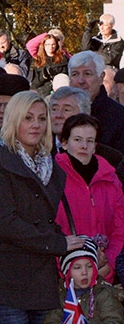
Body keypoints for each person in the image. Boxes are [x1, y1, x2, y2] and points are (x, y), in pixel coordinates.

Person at [0, 90, 86, 324]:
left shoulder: (50, 165)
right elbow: (3, 223)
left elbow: (45, 220)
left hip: (39, 286)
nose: (36, 125)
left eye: (42, 118)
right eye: (28, 118)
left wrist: (78, 245)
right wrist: (56, 243)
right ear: (14, 119)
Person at [54, 114, 124, 283]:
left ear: (95, 146)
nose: (83, 146)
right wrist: (69, 267)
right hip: (63, 274)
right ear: (64, 143)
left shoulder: (111, 179)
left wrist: (109, 263)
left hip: (103, 272)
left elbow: (120, 228)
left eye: (90, 141)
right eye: (77, 139)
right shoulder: (52, 177)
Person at [49, 87, 124, 181]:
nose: (58, 115)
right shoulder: (39, 151)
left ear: (84, 114)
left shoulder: (110, 158)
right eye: (54, 109)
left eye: (67, 110)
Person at [43, 238, 124, 324]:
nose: (84, 272)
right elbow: (51, 320)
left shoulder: (104, 293)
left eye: (89, 266)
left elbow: (115, 320)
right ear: (67, 272)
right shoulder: (60, 295)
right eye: (77, 268)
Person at [68, 50, 124, 154]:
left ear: (101, 77)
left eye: (87, 74)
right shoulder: (59, 114)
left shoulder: (119, 116)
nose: (80, 81)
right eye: (75, 74)